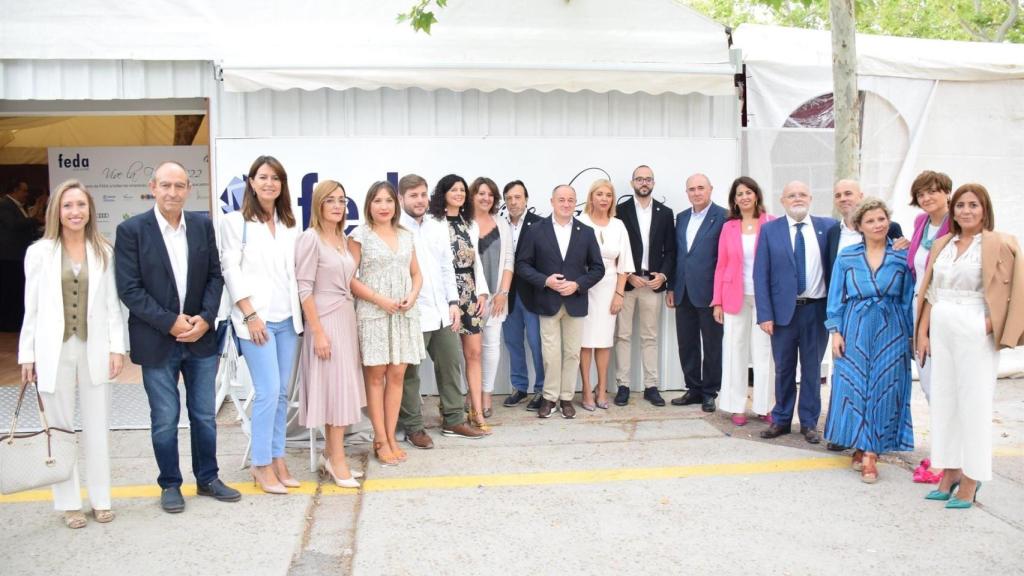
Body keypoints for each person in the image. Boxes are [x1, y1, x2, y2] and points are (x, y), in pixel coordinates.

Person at [116, 161, 241, 513]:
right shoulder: (132, 231)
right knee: (165, 417)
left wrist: (204, 318)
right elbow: (129, 289)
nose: (173, 192)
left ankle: (208, 479)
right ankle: (170, 483)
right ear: (153, 187)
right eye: (166, 185)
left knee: (203, 414)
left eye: (180, 186)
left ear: (188, 189)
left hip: (200, 339)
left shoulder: (202, 226)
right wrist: (171, 323)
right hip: (157, 342)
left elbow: (216, 277)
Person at [18, 180, 125, 528]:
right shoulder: (39, 252)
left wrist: (116, 348)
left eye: (81, 205)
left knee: (97, 426)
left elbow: (112, 306)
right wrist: (26, 355)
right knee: (60, 429)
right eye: (68, 206)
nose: (75, 212)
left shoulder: (104, 251)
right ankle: (68, 503)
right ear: (56, 212)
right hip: (53, 349)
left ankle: (101, 497)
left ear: (90, 209)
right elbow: (30, 309)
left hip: (93, 346)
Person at [915, 183, 1023, 509]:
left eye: (973, 205)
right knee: (945, 402)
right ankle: (950, 471)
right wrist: (922, 332)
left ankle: (973, 478)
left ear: (984, 209)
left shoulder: (998, 243)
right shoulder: (944, 243)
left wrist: (987, 326)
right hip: (942, 325)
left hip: (974, 325)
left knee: (973, 405)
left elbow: (1014, 288)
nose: (966, 211)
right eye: (960, 205)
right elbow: (931, 290)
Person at [220, 156, 304, 494]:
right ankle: (260, 463)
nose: (269, 183)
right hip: (256, 321)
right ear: (251, 182)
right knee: (267, 391)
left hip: (287, 319)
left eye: (276, 178)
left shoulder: (289, 224)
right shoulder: (234, 222)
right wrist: (250, 314)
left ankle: (278, 457)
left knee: (282, 392)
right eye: (263, 177)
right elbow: (231, 270)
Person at [824, 198, 915, 483]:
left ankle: (871, 455)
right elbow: (836, 295)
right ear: (859, 226)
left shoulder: (902, 256)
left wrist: (911, 336)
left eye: (882, 219)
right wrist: (835, 330)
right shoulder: (847, 256)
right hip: (854, 327)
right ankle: (860, 444)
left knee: (884, 389)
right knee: (852, 387)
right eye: (871, 221)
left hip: (892, 330)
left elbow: (909, 297)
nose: (878, 225)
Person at [398, 174, 487, 449]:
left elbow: (447, 267)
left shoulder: (437, 226)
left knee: (451, 364)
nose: (419, 200)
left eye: (423, 194)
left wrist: (453, 303)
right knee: (411, 373)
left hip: (442, 311)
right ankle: (414, 426)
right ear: (401, 199)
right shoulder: (396, 228)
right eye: (413, 195)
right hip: (413, 311)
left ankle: (453, 419)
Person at [754, 180, 838, 445]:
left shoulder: (828, 228)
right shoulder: (770, 230)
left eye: (802, 194)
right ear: (783, 200)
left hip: (817, 311)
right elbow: (761, 274)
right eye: (791, 195)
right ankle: (781, 419)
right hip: (782, 314)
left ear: (811, 198)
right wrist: (765, 314)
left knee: (812, 369)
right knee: (784, 368)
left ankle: (810, 422)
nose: (797, 198)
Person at [294, 180, 365, 488]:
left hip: (345, 318)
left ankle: (330, 455)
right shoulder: (310, 239)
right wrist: (319, 332)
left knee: (343, 389)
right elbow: (304, 289)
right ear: (319, 205)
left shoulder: (342, 238)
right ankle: (337, 461)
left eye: (342, 200)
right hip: (324, 321)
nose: (338, 205)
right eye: (331, 200)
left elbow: (351, 280)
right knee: (334, 391)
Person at [349, 181, 425, 465]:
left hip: (403, 314)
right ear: (369, 204)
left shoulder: (406, 235)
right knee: (376, 376)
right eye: (378, 201)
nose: (384, 206)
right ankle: (379, 438)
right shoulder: (360, 236)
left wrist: (413, 295)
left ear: (396, 204)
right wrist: (379, 299)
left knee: (397, 376)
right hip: (373, 313)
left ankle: (392, 436)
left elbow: (417, 274)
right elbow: (349, 277)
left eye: (388, 201)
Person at [515, 184, 604, 418]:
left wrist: (578, 284)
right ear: (552, 201)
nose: (566, 204)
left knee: (573, 352)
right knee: (551, 353)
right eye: (561, 200)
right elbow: (522, 265)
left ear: (576, 203)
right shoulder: (536, 230)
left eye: (570, 200)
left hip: (575, 301)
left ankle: (566, 398)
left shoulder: (585, 232)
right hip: (547, 301)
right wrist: (546, 281)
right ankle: (549, 397)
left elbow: (598, 268)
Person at [427, 174, 491, 430]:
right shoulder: (432, 223)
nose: (459, 194)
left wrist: (482, 293)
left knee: (474, 353)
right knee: (448, 357)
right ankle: (449, 406)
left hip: (470, 292)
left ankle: (476, 410)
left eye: (463, 190)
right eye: (454, 189)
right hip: (445, 296)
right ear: (443, 193)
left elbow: (476, 262)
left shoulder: (470, 223)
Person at [711, 176, 775, 426]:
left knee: (764, 352)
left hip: (764, 298)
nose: (745, 197)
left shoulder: (771, 223)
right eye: (739, 194)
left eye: (748, 192)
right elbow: (721, 265)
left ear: (756, 195)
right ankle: (735, 405)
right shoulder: (729, 227)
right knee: (734, 350)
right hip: (733, 296)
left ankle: (765, 405)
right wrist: (717, 301)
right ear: (734, 200)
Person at [614, 165, 676, 407]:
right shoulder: (620, 211)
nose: (644, 183)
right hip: (628, 282)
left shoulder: (665, 212)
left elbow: (671, 251)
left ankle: (651, 386)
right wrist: (627, 275)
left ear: (653, 183)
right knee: (623, 336)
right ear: (632, 183)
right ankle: (623, 386)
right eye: (639, 179)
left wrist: (664, 275)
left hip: (653, 283)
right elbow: (615, 248)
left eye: (648, 179)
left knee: (650, 336)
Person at [667, 174, 728, 413]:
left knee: (712, 345)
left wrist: (720, 296)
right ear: (687, 193)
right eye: (691, 189)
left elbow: (725, 258)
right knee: (687, 343)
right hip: (683, 291)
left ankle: (710, 392)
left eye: (701, 188)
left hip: (710, 293)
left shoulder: (723, 217)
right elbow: (677, 255)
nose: (696, 192)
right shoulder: (681, 218)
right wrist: (671, 286)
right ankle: (693, 388)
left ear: (711, 189)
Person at [577, 179, 633, 410]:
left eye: (608, 195)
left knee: (603, 342)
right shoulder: (579, 222)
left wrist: (619, 294)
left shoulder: (618, 225)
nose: (603, 198)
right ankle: (586, 390)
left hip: (609, 288)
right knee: (584, 342)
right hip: (583, 288)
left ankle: (602, 389)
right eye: (599, 194)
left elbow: (625, 263)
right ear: (591, 197)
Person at [906, 170, 952, 402]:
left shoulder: (958, 222)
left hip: (944, 305)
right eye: (921, 194)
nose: (926, 198)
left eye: (933, 191)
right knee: (926, 374)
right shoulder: (920, 222)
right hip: (918, 303)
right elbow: (917, 262)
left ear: (947, 192)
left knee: (945, 376)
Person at [470, 176, 514, 417]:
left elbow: (509, 260)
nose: (486, 198)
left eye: (490, 194)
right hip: (469, 300)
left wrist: (502, 293)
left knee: (491, 347)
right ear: (472, 196)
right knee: (468, 351)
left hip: (496, 299)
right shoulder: (462, 223)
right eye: (481, 193)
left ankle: (486, 393)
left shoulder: (502, 224)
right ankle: (470, 393)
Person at [501, 180, 546, 411]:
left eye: (517, 197)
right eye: (508, 198)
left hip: (533, 294)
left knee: (537, 343)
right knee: (513, 342)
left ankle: (540, 390)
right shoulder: (499, 225)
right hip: (507, 294)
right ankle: (519, 387)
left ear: (526, 199)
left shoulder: (540, 225)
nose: (513, 202)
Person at [826, 179, 906, 265]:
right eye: (838, 196)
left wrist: (908, 246)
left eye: (848, 193)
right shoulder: (833, 232)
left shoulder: (888, 228)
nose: (842, 199)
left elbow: (903, 260)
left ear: (861, 196)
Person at [0, 179, 44, 332]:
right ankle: (8, 324)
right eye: (24, 191)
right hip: (9, 257)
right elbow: (13, 225)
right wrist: (34, 220)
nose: (27, 194)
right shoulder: (4, 204)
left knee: (18, 290)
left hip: (18, 255)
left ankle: (15, 321)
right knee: (10, 290)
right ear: (14, 190)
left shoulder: (19, 206)